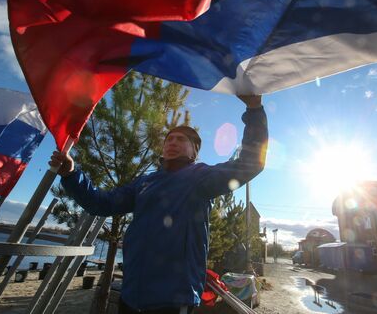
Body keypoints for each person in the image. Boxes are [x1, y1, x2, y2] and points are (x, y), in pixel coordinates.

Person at [49, 95, 268, 313]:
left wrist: (254, 108)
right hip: (131, 296)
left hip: (172, 301)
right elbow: (101, 204)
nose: (173, 142)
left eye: (182, 140)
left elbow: (251, 163)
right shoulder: (144, 183)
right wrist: (71, 174)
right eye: (169, 139)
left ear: (194, 152)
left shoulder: (200, 178)